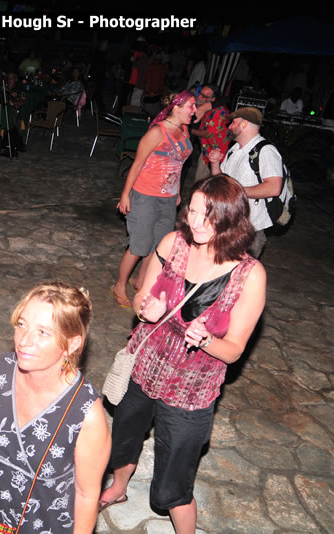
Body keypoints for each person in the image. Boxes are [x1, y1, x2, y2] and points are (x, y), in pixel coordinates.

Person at [99, 174, 266, 534]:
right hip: (144, 369)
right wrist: (146, 308)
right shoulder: (174, 242)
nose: (196, 222)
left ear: (231, 219)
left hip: (191, 390)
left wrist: (205, 340)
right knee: (125, 437)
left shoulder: (249, 276)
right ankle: (118, 487)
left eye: (207, 215)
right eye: (191, 211)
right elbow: (142, 293)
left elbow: (235, 350)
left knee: (171, 488)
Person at [0, 282, 111, 532]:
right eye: (22, 324)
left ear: (71, 344)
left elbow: (86, 495)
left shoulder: (85, 415)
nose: (24, 340)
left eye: (43, 332)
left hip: (42, 524)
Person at [112, 90, 195, 308]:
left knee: (158, 244)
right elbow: (137, 164)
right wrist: (125, 195)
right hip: (145, 196)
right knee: (140, 244)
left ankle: (140, 280)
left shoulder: (184, 130)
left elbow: (179, 165)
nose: (194, 111)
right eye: (191, 106)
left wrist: (176, 191)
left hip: (167, 198)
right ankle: (119, 285)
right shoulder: (157, 133)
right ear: (176, 107)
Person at [209, 107, 283, 258]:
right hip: (228, 223)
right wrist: (215, 164)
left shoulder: (266, 151)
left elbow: (274, 188)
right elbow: (221, 181)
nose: (229, 127)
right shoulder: (235, 149)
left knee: (239, 277)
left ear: (244, 124)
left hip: (249, 230)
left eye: (233, 123)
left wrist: (237, 191)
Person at [190, 84, 229, 183]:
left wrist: (188, 130)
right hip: (206, 149)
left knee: (202, 184)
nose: (199, 97)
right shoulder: (204, 107)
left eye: (204, 96)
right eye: (200, 93)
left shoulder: (219, 111)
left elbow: (208, 134)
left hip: (216, 153)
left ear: (213, 99)